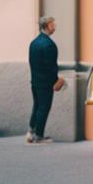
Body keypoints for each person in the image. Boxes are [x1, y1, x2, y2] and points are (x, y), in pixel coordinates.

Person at [27, 16, 64, 144]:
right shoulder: (49, 45)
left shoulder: (33, 43)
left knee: (36, 106)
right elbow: (51, 67)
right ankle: (39, 136)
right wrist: (57, 80)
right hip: (46, 83)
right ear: (47, 26)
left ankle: (31, 132)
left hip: (35, 81)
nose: (55, 26)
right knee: (44, 107)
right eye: (53, 24)